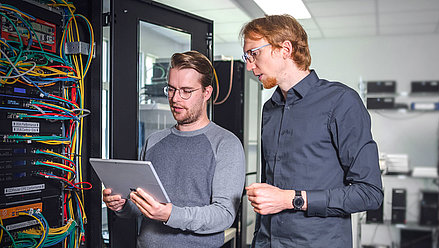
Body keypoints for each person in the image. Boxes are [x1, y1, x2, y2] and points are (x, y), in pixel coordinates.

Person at [240, 15, 383, 247]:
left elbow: (369, 193)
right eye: (246, 56)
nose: (248, 65)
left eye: (254, 53)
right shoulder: (270, 108)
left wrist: (292, 199)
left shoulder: (341, 101)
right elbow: (269, 190)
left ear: (284, 49)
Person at [102, 51, 245, 248]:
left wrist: (170, 215)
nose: (176, 98)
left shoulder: (226, 144)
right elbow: (141, 207)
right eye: (171, 89)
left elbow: (224, 215)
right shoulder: (154, 141)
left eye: (186, 91)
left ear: (207, 92)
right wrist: (122, 205)